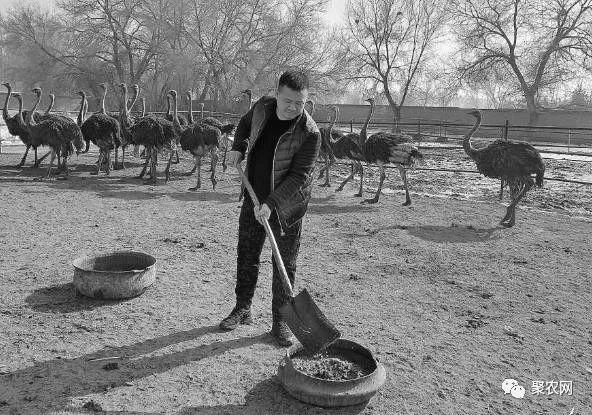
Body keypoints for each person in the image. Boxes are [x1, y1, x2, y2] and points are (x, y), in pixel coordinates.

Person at [220, 69, 321, 346]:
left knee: (284, 265)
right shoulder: (263, 107)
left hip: (286, 207)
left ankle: (281, 322)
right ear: (277, 94)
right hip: (254, 196)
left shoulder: (309, 133)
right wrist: (239, 147)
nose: (293, 108)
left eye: (300, 103)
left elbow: (300, 177)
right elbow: (243, 123)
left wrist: (271, 204)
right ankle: (243, 308)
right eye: (288, 101)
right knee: (247, 253)